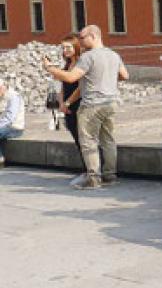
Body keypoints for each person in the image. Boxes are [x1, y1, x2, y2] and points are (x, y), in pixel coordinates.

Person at [42, 25, 128, 190]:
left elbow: (70, 78)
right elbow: (125, 75)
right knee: (108, 141)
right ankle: (110, 176)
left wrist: (50, 68)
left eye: (82, 37)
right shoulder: (113, 54)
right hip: (110, 103)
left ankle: (93, 179)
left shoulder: (88, 57)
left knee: (88, 143)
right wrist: (106, 79)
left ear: (93, 36)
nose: (80, 41)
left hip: (91, 105)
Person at [57, 34, 86, 183]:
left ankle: (89, 171)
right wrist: (62, 104)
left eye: (68, 47)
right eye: (63, 48)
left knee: (84, 140)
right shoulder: (67, 64)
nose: (65, 50)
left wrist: (67, 103)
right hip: (67, 106)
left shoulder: (81, 64)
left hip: (78, 105)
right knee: (76, 138)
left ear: (76, 47)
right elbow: (63, 86)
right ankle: (86, 169)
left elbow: (80, 88)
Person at [0, 78, 25, 168]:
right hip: (5, 126)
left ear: (2, 87)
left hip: (15, 128)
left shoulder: (14, 97)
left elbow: (10, 118)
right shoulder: (3, 96)